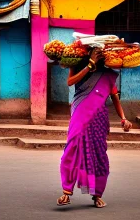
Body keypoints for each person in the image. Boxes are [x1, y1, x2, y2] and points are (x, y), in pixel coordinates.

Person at [57, 48, 132, 208]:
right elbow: (70, 82)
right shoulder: (77, 64)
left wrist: (124, 118)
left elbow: (115, 98)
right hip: (80, 113)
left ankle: (97, 195)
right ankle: (66, 192)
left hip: (99, 118)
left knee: (99, 155)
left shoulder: (107, 74)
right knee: (72, 149)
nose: (96, 54)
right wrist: (89, 65)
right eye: (93, 52)